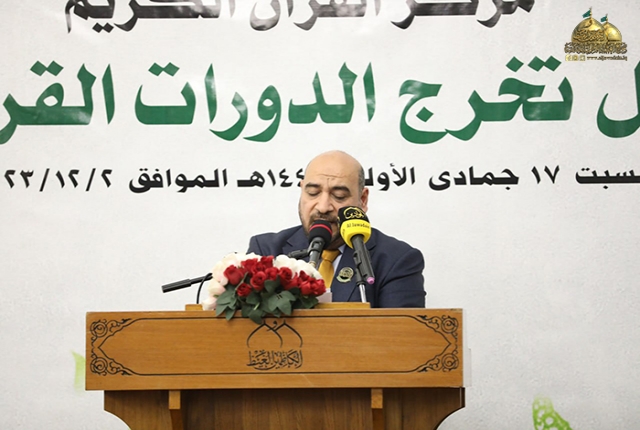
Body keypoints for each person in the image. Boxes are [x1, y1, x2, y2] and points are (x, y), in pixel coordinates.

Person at [247, 150, 425, 308]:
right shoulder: (267, 251)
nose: (323, 207)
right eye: (313, 193)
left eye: (339, 196)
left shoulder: (397, 260)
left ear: (362, 200)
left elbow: (400, 332)